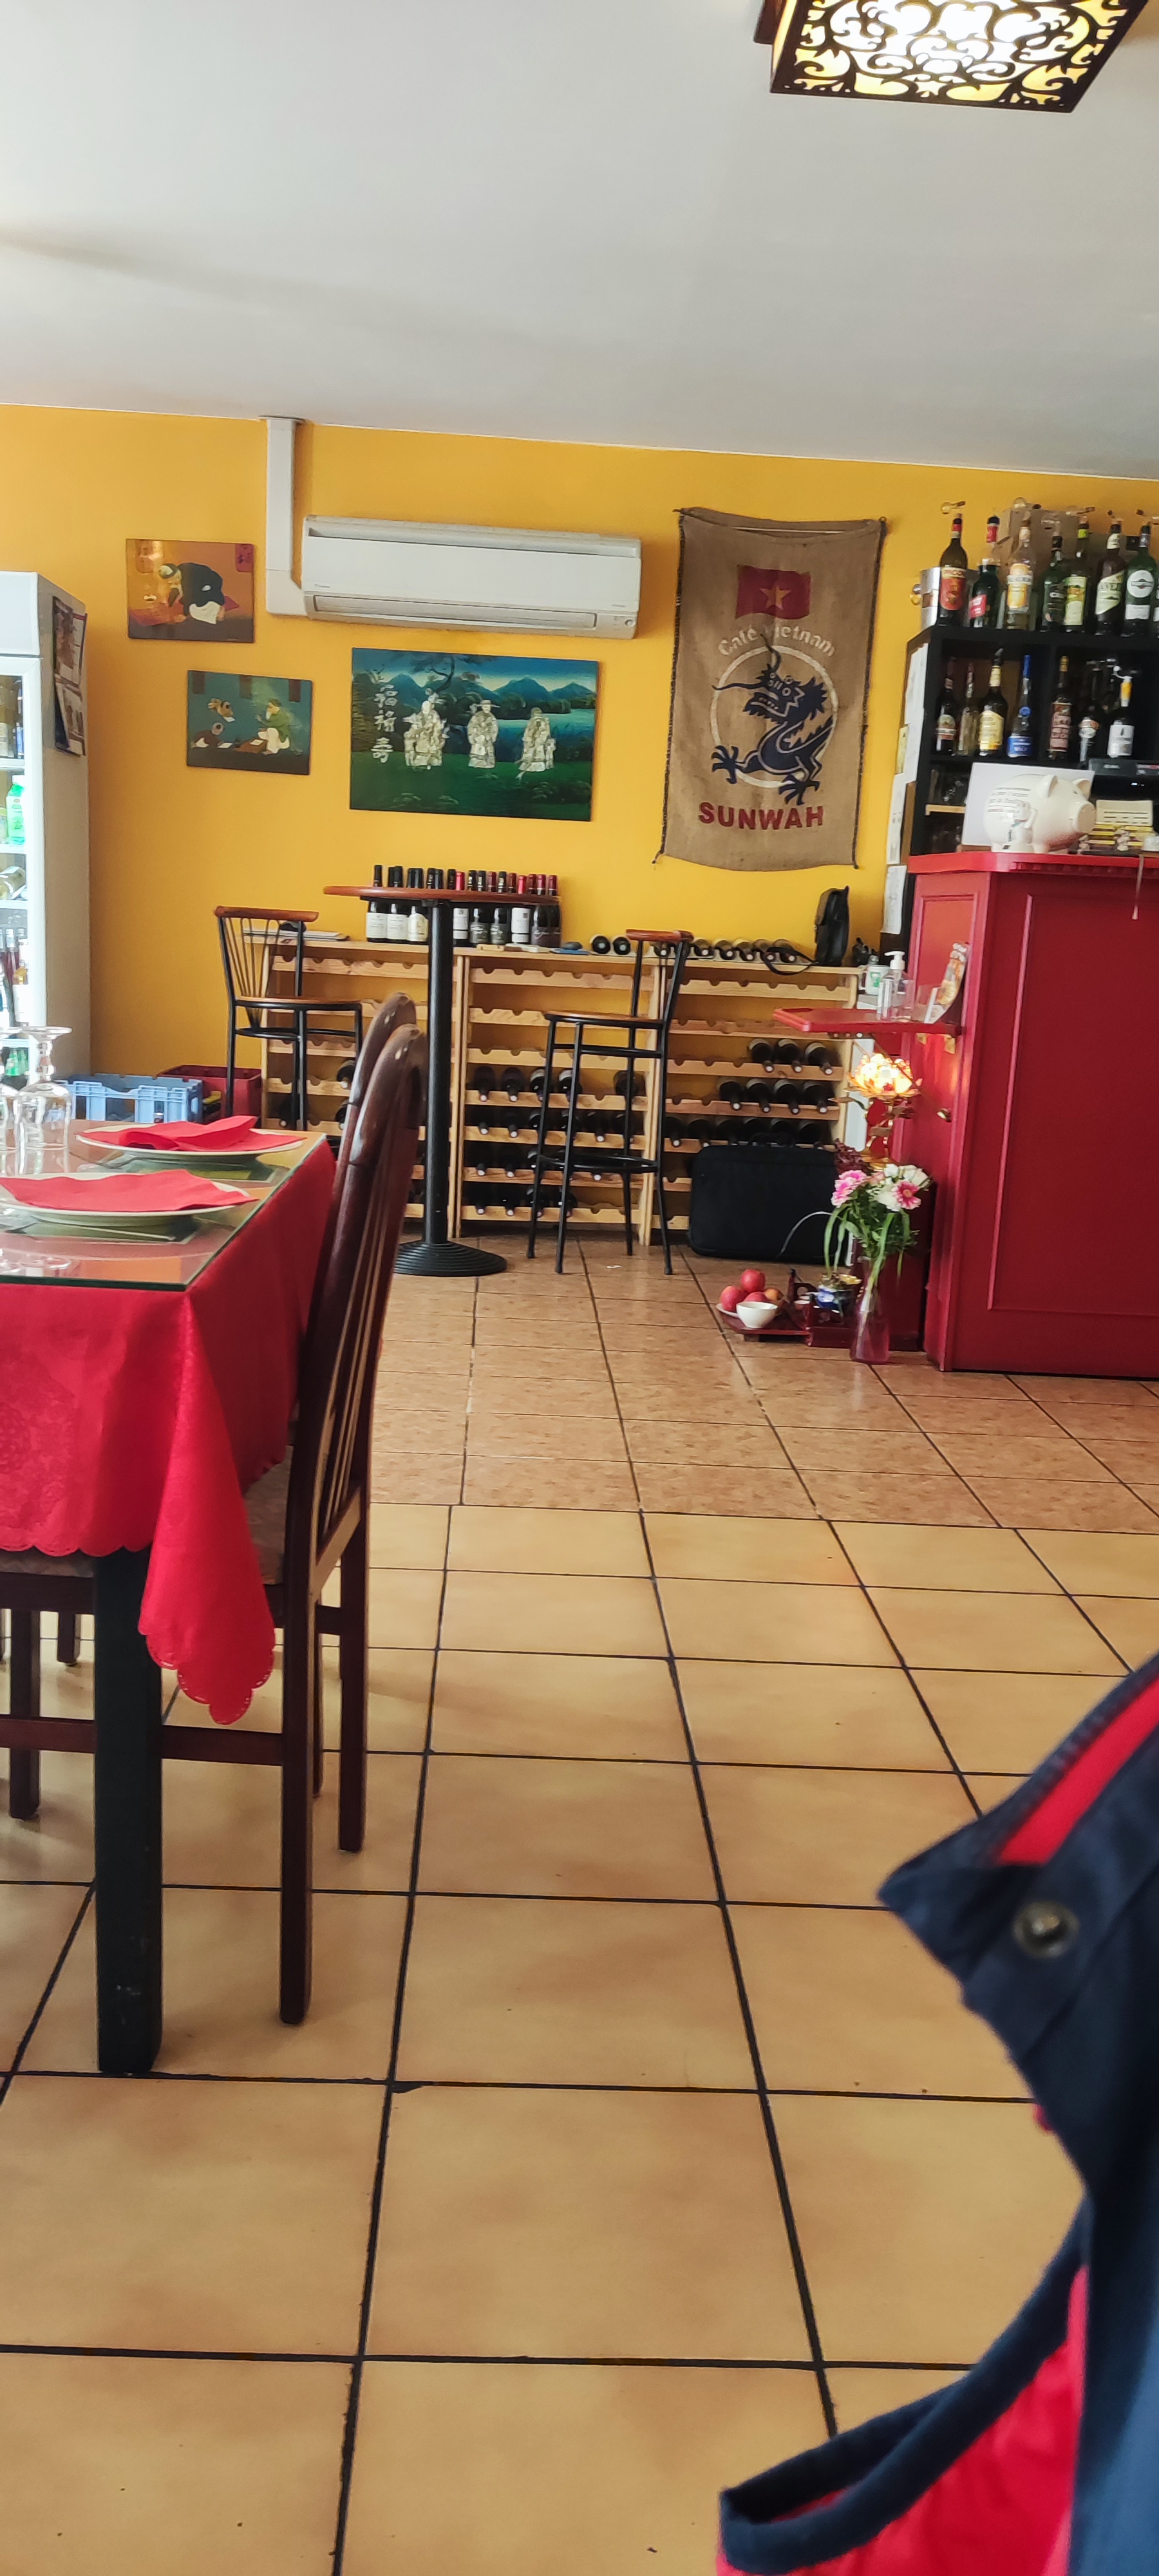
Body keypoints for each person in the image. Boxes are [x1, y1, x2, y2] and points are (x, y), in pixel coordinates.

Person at [467, 697, 499, 768]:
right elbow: (471, 726)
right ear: (482, 707)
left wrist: (492, 736)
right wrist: (474, 735)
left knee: (488, 750)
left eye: (489, 707)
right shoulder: (477, 716)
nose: (487, 709)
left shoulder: (492, 717)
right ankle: (476, 763)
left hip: (488, 737)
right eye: (485, 707)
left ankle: (488, 764)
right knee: (477, 750)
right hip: (478, 737)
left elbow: (495, 728)